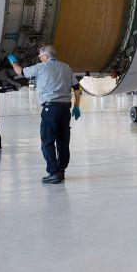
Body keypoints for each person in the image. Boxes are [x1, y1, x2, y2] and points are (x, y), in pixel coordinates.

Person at [10, 45, 81, 184]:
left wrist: (12, 61)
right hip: (65, 109)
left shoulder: (40, 67)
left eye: (40, 56)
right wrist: (77, 106)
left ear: (46, 56)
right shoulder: (66, 67)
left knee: (47, 142)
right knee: (63, 142)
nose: (40, 58)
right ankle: (61, 171)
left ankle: (54, 173)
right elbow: (77, 89)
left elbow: (20, 71)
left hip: (51, 109)